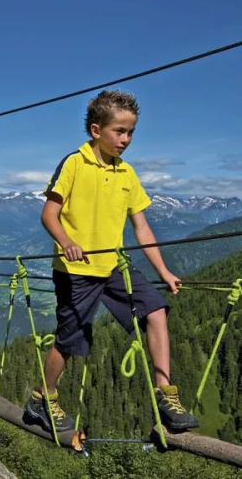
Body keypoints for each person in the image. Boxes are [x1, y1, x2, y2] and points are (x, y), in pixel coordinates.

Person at [24, 90, 199, 432]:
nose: (126, 139)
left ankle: (166, 396)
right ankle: (42, 397)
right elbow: (49, 214)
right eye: (119, 131)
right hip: (76, 270)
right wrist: (67, 242)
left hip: (113, 266)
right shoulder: (74, 163)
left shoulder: (127, 173)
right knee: (70, 340)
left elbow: (142, 227)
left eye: (131, 132)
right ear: (95, 130)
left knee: (157, 310)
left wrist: (164, 271)